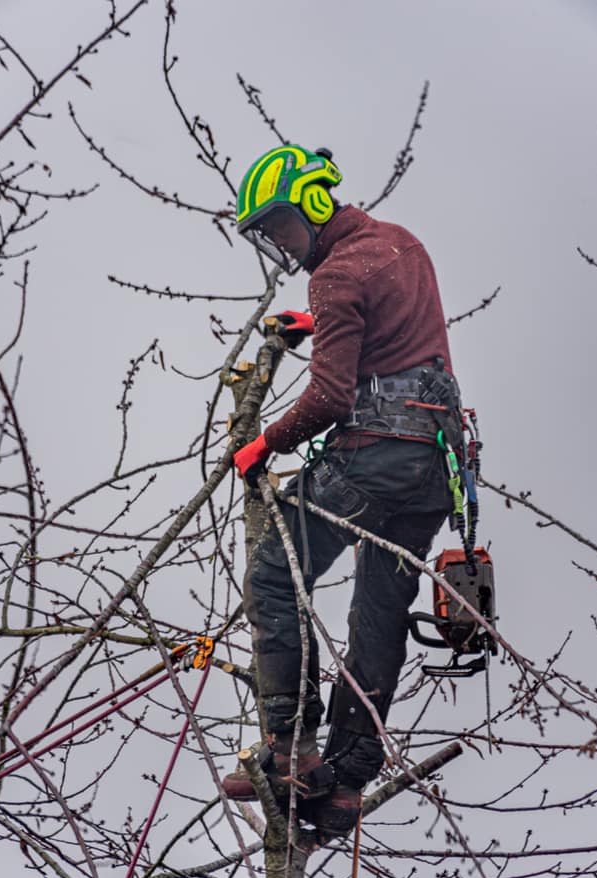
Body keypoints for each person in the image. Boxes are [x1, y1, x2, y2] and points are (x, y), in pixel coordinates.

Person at [222, 145, 462, 838]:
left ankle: (290, 752)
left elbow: (329, 396)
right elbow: (387, 333)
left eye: (282, 226)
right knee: (379, 608)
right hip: (435, 468)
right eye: (267, 235)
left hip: (373, 459)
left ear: (316, 204)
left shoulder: (335, 275)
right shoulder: (400, 247)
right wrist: (320, 326)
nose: (280, 243)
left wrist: (266, 442)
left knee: (272, 576)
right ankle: (348, 777)